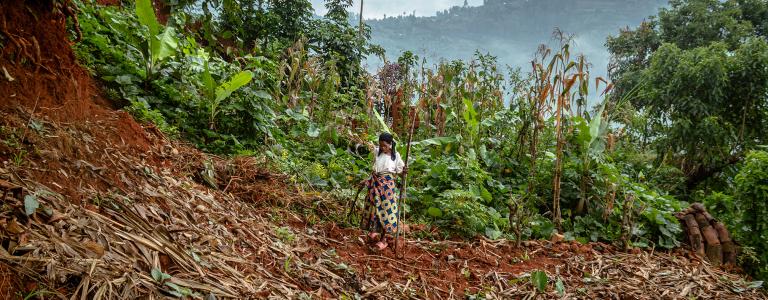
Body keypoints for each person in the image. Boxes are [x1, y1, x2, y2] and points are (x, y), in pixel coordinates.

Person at [360, 133, 406, 250]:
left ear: (390, 145)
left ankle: (384, 239)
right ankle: (374, 231)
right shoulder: (376, 152)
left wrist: (404, 171)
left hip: (387, 187)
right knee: (374, 209)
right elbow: (375, 169)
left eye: (385, 146)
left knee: (386, 211)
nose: (382, 148)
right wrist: (367, 180)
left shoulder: (396, 156)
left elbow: (400, 171)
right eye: (380, 145)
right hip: (375, 183)